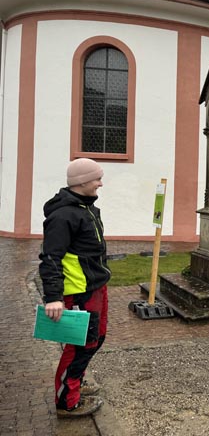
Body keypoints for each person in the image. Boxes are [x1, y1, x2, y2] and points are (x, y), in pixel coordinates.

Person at [39, 158, 110, 418]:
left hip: (95, 286)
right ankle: (67, 401)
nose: (100, 183)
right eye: (96, 179)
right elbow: (50, 258)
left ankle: (75, 382)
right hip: (78, 290)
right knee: (81, 344)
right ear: (81, 182)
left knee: (96, 339)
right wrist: (53, 297)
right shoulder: (63, 215)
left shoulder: (87, 208)